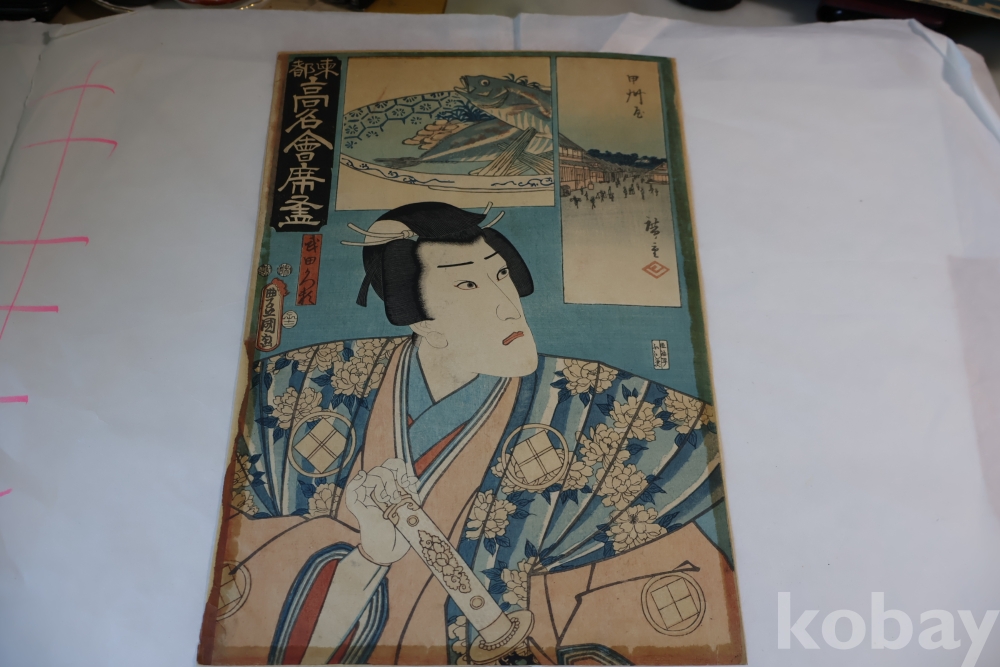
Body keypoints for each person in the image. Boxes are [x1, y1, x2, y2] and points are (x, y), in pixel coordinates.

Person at [200, 202, 743, 665]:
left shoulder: (600, 410)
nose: (507, 304)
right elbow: (243, 576)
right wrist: (366, 558)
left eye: (500, 275)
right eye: (466, 283)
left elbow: (665, 599)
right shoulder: (306, 389)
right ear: (420, 319)